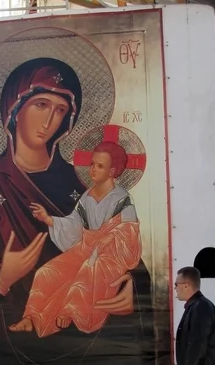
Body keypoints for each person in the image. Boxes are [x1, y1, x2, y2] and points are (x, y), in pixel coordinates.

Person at [0, 57, 155, 365]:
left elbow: (125, 250)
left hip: (96, 338)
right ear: (13, 110)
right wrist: (1, 282)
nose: (50, 120)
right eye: (41, 104)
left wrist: (132, 290)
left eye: (60, 110)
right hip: (12, 354)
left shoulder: (83, 184)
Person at [9, 140, 141, 337]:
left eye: (100, 166)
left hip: (110, 254)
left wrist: (110, 237)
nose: (93, 170)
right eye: (92, 164)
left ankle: (70, 313)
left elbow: (130, 230)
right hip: (85, 247)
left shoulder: (122, 198)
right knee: (47, 272)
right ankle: (32, 317)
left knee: (87, 270)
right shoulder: (87, 195)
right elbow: (74, 223)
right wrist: (49, 219)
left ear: (113, 171)